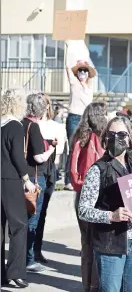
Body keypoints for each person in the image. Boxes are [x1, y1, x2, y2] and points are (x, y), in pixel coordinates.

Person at [78, 115, 132, 292]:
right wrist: (111, 216)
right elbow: (83, 210)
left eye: (121, 134)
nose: (116, 138)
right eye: (111, 134)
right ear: (105, 138)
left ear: (130, 138)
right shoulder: (98, 169)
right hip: (110, 245)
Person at [1, 88, 36, 288]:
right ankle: (15, 273)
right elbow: (17, 157)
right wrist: (26, 179)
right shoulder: (15, 125)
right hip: (10, 180)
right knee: (19, 226)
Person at [70, 102, 107, 292]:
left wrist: (80, 186)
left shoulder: (79, 137)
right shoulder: (102, 138)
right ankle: (95, 284)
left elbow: (72, 169)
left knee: (87, 244)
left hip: (81, 195)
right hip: (99, 197)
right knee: (98, 244)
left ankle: (88, 285)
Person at [22, 93, 57, 273]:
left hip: (21, 177)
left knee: (23, 221)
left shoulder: (20, 124)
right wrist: (51, 149)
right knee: (32, 221)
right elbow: (38, 157)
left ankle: (21, 258)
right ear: (41, 109)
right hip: (35, 179)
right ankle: (28, 259)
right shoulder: (34, 127)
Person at [34, 94, 65, 264]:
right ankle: (29, 252)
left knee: (42, 213)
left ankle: (36, 250)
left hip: (49, 170)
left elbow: (59, 149)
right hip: (35, 170)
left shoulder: (56, 126)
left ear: (48, 106)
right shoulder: (32, 124)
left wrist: (48, 145)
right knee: (32, 213)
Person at [65, 56, 97, 191]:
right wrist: (72, 53)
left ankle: (82, 175)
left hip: (86, 119)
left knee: (85, 148)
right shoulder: (74, 83)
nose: (82, 73)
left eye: (85, 70)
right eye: (80, 70)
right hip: (74, 118)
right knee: (73, 148)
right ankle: (68, 180)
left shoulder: (89, 88)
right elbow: (68, 67)